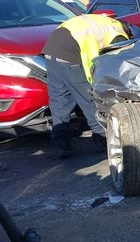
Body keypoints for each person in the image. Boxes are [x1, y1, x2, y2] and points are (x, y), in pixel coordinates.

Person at [42, 14, 131, 159]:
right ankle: (102, 140)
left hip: (51, 50)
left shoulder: (104, 21)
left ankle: (62, 146)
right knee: (89, 99)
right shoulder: (117, 32)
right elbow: (119, 60)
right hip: (69, 54)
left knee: (59, 100)